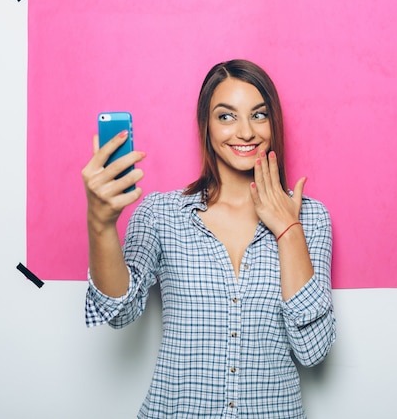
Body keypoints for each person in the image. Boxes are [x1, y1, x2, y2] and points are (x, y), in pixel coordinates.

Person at [82, 59, 336, 418]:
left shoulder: (311, 218)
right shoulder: (161, 214)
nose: (246, 132)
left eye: (259, 115)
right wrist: (100, 223)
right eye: (226, 116)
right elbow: (118, 314)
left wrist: (287, 230)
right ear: (206, 125)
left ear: (273, 122)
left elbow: (314, 351)